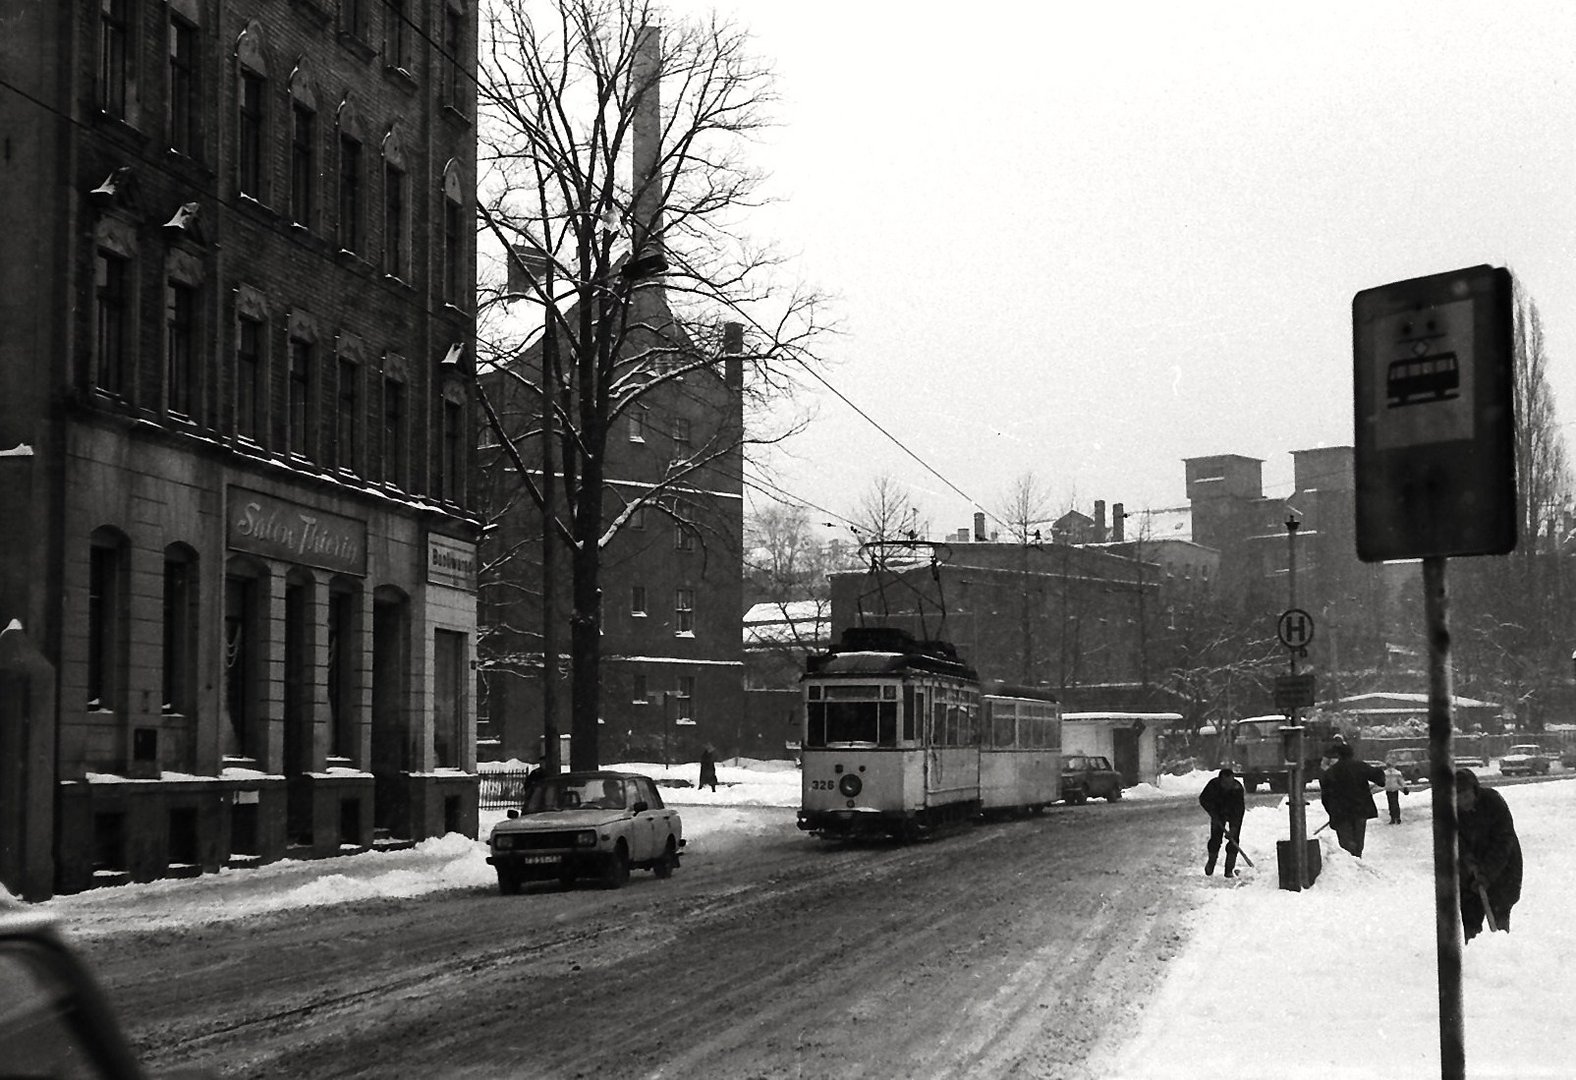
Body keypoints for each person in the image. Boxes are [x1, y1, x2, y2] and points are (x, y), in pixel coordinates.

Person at [1455, 768, 1522, 941]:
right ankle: (1475, 954)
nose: (1464, 802)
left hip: (1503, 867)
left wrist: (1486, 873)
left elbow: (1503, 841)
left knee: (1500, 911)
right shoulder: (1450, 813)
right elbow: (1452, 841)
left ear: (1475, 791)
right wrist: (1467, 862)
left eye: (1466, 796)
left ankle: (1501, 953)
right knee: (1470, 915)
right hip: (1470, 872)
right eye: (1459, 798)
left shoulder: (1493, 802)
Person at [1319, 743, 1385, 857]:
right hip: (1360, 809)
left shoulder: (1331, 772)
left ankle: (1351, 859)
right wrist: (1381, 772)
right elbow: (1380, 779)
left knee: (1346, 843)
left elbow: (1325, 796)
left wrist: (1331, 812)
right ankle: (1357, 858)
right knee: (1358, 841)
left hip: (1341, 812)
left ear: (1339, 755)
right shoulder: (1360, 766)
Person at [1197, 765, 1246, 877]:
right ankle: (1211, 863)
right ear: (1220, 781)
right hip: (1217, 812)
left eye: (1231, 782)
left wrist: (1233, 829)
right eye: (1226, 783)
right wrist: (1212, 813)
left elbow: (1239, 810)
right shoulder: (1213, 785)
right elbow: (1203, 799)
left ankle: (1229, 869)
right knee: (1215, 838)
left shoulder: (1237, 789)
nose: (1229, 786)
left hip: (1233, 812)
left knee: (1234, 840)